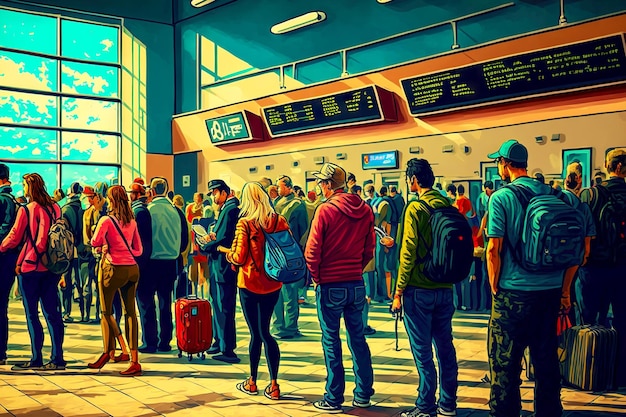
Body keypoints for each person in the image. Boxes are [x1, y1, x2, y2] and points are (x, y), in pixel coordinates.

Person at [485, 139, 588, 417]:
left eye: (499, 163)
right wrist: (565, 291)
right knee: (546, 365)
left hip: (512, 296)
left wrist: (495, 286)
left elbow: (493, 248)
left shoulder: (501, 198)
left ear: (505, 164)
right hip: (551, 293)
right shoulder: (561, 197)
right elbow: (578, 251)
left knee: (505, 367)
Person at [305, 162, 375, 413]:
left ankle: (334, 397)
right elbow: (369, 250)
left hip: (330, 283)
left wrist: (317, 278)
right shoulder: (366, 209)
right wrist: (356, 268)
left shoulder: (325, 210)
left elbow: (312, 252)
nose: (319, 187)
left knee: (331, 341)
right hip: (356, 283)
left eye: (320, 183)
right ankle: (364, 393)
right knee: (358, 339)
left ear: (327, 185)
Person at [391, 158, 458, 417]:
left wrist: (398, 292)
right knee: (445, 347)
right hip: (445, 288)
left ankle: (425, 406)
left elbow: (407, 253)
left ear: (414, 180)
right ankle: (448, 403)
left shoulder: (415, 208)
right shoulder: (447, 205)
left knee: (423, 352)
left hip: (419, 289)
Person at [221, 182, 287, 399]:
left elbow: (239, 256)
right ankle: (275, 384)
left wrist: (225, 251)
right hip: (273, 282)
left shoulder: (245, 223)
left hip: (250, 283)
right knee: (267, 332)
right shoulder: (278, 220)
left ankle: (252, 381)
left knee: (255, 335)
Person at [0, 173, 65, 370]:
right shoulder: (55, 208)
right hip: (52, 267)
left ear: (30, 187)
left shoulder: (27, 209)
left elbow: (15, 236)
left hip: (30, 266)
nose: (23, 188)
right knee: (53, 313)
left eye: (24, 185)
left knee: (32, 314)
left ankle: (36, 358)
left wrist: (1, 247)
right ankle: (57, 358)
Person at [578, 148, 626, 387]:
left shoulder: (590, 195)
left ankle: (590, 372)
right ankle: (621, 375)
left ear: (611, 167)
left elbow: (581, 230)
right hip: (623, 269)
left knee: (590, 320)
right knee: (623, 320)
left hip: (593, 268)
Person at [88, 185, 143, 376]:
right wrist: (126, 252)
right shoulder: (132, 221)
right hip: (132, 269)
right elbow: (139, 250)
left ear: (110, 200)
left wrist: (107, 247)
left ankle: (109, 350)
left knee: (106, 311)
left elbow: (94, 242)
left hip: (112, 268)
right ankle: (134, 360)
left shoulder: (106, 220)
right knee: (130, 313)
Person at [199, 179, 240, 363]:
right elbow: (221, 234)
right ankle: (219, 341)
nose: (213, 196)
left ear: (224, 192)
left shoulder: (231, 209)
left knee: (224, 306)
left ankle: (227, 348)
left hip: (224, 265)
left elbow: (225, 238)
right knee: (217, 304)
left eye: (215, 192)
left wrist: (208, 244)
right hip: (219, 265)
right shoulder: (225, 208)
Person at [141, 177, 182, 353]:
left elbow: (144, 237)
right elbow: (185, 239)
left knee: (147, 303)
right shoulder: (176, 211)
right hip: (170, 262)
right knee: (166, 303)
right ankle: (165, 341)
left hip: (151, 262)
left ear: (151, 190)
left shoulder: (148, 211)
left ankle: (150, 341)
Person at [271, 175, 308, 339]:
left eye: (279, 186)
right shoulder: (296, 204)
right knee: (288, 292)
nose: (278, 189)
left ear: (287, 187)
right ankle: (289, 326)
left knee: (285, 292)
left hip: (280, 253)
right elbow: (304, 231)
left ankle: (282, 326)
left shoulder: (294, 205)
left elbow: (302, 230)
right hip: (289, 253)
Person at [128, 182, 153, 350]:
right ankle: (150, 339)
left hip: (141, 263)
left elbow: (140, 241)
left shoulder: (138, 212)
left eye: (131, 192)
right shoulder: (142, 210)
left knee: (144, 303)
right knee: (146, 303)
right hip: (145, 261)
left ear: (136, 194)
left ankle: (149, 341)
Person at [0, 163, 19, 366]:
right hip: (9, 259)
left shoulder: (2, 200)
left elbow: (5, 228)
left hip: (3, 258)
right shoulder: (12, 200)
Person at [59, 182, 84, 323]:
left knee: (66, 282)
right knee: (80, 282)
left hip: (67, 250)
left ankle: (66, 312)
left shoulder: (64, 210)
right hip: (81, 250)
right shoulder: (84, 209)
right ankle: (83, 313)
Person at [186, 193, 209, 296]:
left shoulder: (205, 207)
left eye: (198, 198)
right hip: (193, 238)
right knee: (194, 270)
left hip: (201, 238)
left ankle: (204, 294)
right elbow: (188, 221)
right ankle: (195, 292)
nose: (197, 199)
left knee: (204, 270)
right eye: (195, 197)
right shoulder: (190, 207)